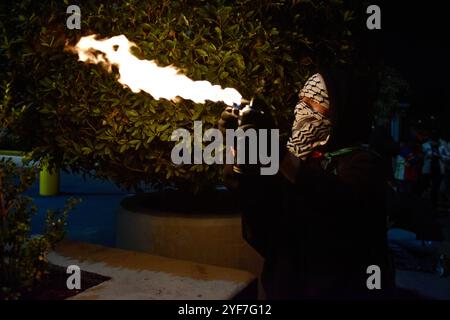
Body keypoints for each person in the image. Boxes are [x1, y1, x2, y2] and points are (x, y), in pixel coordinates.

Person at [219, 67, 395, 299]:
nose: (302, 109)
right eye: (302, 99)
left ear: (341, 110)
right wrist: (236, 143)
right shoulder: (296, 159)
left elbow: (333, 202)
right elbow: (259, 208)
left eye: (314, 103)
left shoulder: (364, 164)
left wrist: (273, 148)